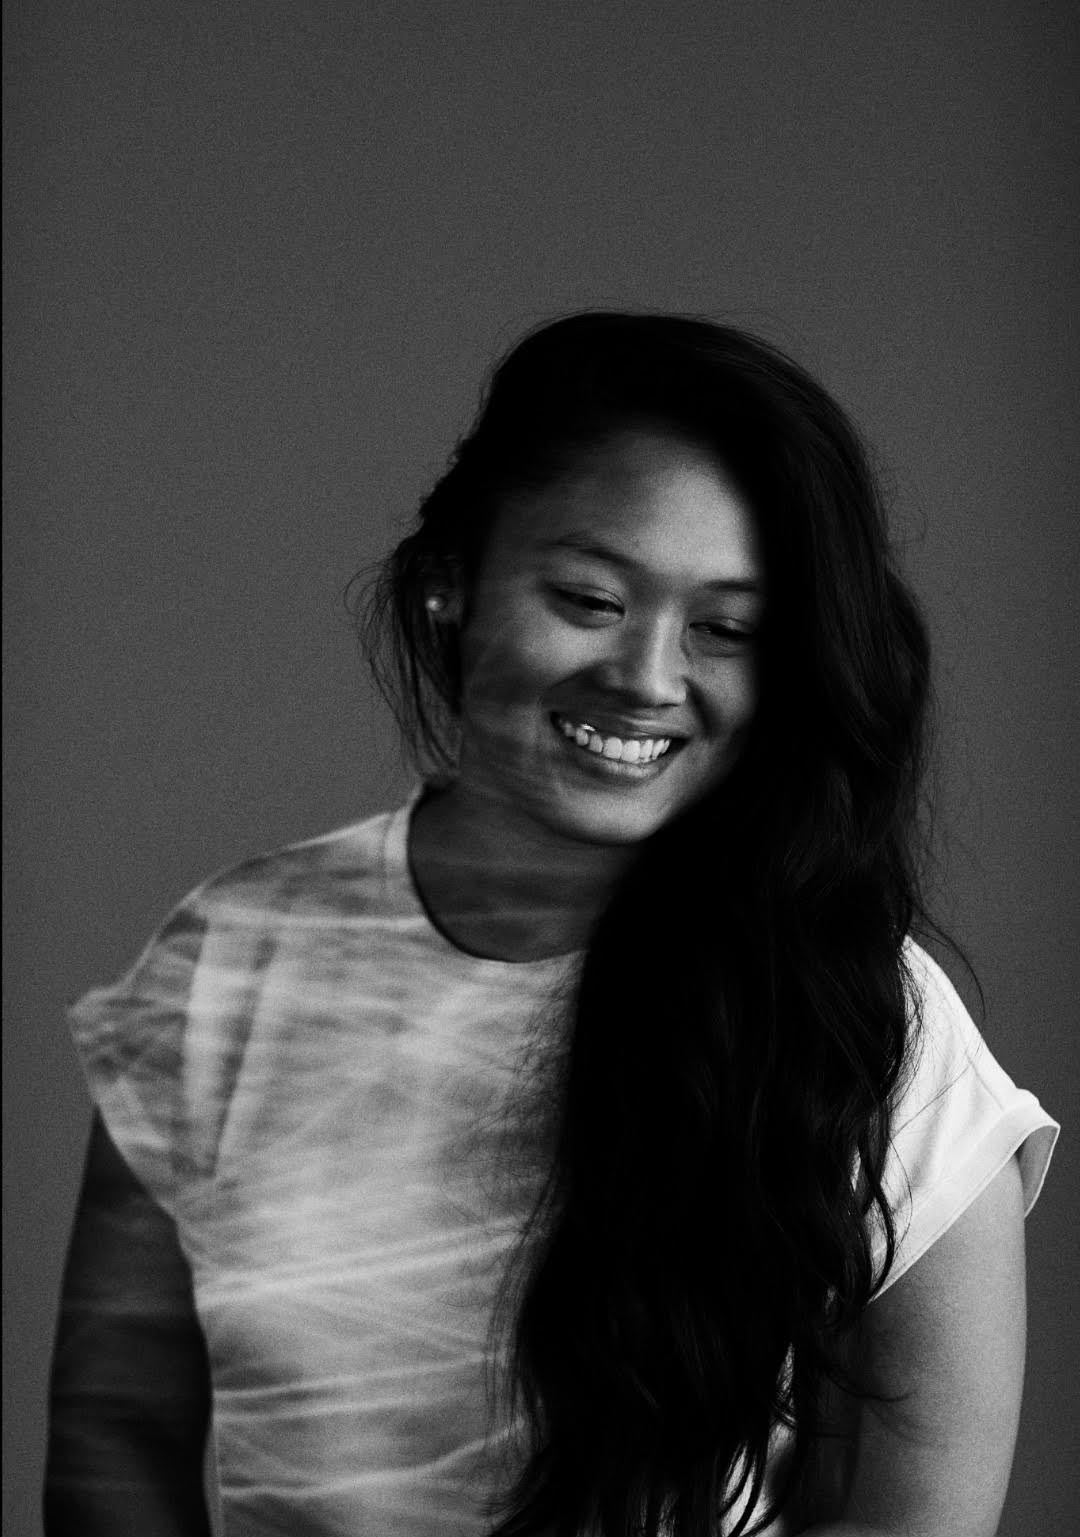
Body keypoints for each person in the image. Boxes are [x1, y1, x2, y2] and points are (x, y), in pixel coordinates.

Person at [45, 311, 1058, 1537]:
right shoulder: (227, 961)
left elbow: (917, 1511)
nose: (647, 674)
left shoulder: (866, 1018)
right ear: (449, 585)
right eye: (589, 597)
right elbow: (116, 1435)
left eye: (726, 629)